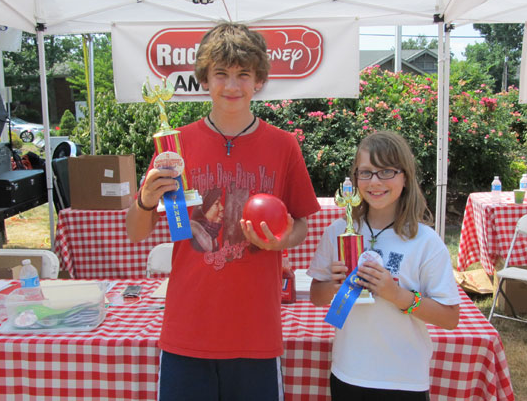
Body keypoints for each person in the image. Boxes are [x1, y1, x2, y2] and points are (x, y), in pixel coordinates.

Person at [126, 22, 320, 401]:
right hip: (187, 333)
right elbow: (136, 231)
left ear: (259, 80)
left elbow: (301, 226)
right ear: (204, 79)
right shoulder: (174, 145)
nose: (232, 86)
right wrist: (146, 200)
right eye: (221, 74)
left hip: (255, 334)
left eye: (243, 75)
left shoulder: (284, 146)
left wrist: (281, 238)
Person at [307, 131, 460, 401]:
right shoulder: (338, 231)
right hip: (349, 373)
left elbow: (449, 318)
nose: (374, 182)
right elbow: (316, 296)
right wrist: (333, 286)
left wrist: (397, 295)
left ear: (405, 177)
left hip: (404, 379)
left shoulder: (425, 241)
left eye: (386, 171)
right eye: (365, 172)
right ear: (354, 179)